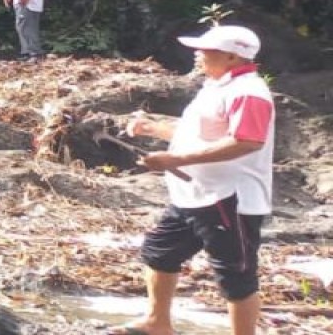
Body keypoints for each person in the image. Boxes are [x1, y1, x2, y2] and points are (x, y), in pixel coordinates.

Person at [111, 25, 273, 335]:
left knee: (236, 274)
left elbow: (247, 141)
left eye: (205, 50)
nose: (197, 55)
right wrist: (153, 128)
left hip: (229, 197)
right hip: (194, 193)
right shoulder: (217, 86)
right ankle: (157, 322)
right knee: (159, 251)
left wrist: (176, 160)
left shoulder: (249, 93)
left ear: (231, 56)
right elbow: (202, 133)